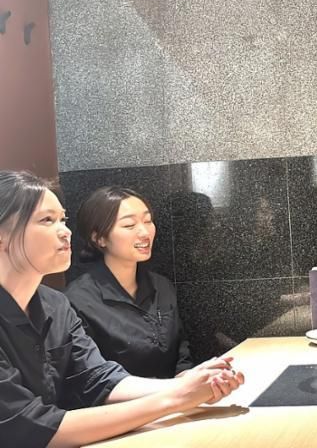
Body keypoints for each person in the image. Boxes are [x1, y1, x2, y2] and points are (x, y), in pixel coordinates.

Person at [0, 171, 244, 447]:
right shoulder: (78, 297)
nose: (65, 231)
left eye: (63, 220)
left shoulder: (55, 305)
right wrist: (175, 397)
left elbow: (98, 377)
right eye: (47, 220)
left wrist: (190, 384)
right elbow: (30, 427)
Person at [65, 187, 192, 378]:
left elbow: (181, 350)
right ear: (99, 238)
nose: (144, 232)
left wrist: (189, 378)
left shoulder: (162, 285)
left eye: (148, 221)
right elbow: (92, 376)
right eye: (129, 225)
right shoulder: (77, 301)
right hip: (124, 396)